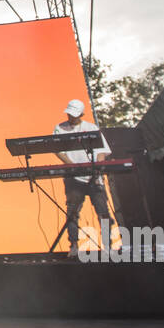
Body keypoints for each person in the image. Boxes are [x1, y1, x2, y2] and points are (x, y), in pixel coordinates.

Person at [53, 99, 113, 254]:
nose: (70, 117)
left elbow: (103, 150)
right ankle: (73, 245)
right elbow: (58, 150)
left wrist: (97, 167)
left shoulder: (91, 128)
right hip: (74, 178)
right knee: (73, 211)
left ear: (81, 114)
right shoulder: (60, 128)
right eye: (69, 114)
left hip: (93, 177)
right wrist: (71, 165)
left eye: (74, 115)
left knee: (102, 211)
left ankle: (108, 245)